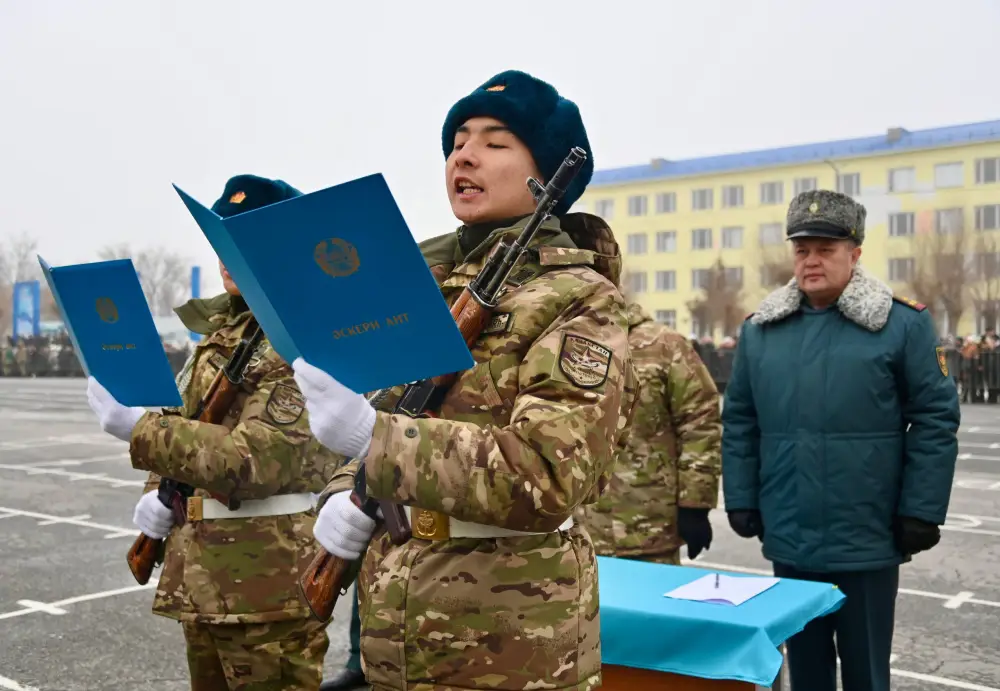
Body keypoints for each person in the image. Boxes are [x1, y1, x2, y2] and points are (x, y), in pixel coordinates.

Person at [294, 69, 638, 691]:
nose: (465, 156)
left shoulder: (582, 300)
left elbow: (550, 475)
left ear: (547, 177)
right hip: (398, 632)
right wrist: (347, 491)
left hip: (511, 646)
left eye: (495, 142)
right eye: (456, 143)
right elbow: (389, 410)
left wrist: (376, 442)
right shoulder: (423, 288)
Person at [86, 174, 340, 691]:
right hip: (203, 575)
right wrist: (156, 490)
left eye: (242, 238)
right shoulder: (226, 330)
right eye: (220, 238)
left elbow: (255, 459)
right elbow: (186, 420)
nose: (226, 254)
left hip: (267, 586)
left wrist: (137, 430)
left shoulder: (301, 337)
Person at [721, 189, 960, 691]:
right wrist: (741, 497)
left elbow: (935, 418)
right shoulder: (761, 331)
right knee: (806, 673)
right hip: (791, 533)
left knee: (866, 672)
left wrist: (921, 510)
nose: (811, 260)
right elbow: (740, 420)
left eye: (825, 249)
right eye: (802, 249)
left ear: (854, 254)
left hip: (868, 535)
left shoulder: (901, 325)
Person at [576, 300, 721, 565]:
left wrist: (695, 504)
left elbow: (699, 423)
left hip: (651, 529)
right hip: (579, 535)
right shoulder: (565, 344)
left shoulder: (664, 346)